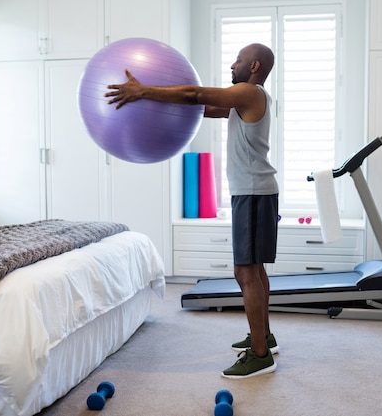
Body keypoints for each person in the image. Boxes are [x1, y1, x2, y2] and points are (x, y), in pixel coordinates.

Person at [105, 43, 279, 379]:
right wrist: (153, 103)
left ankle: (260, 355)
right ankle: (264, 338)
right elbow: (206, 108)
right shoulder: (247, 99)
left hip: (254, 193)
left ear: (254, 66)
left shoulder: (249, 92)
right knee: (255, 271)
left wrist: (142, 90)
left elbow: (195, 94)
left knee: (245, 273)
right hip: (254, 192)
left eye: (238, 60)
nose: (232, 64)